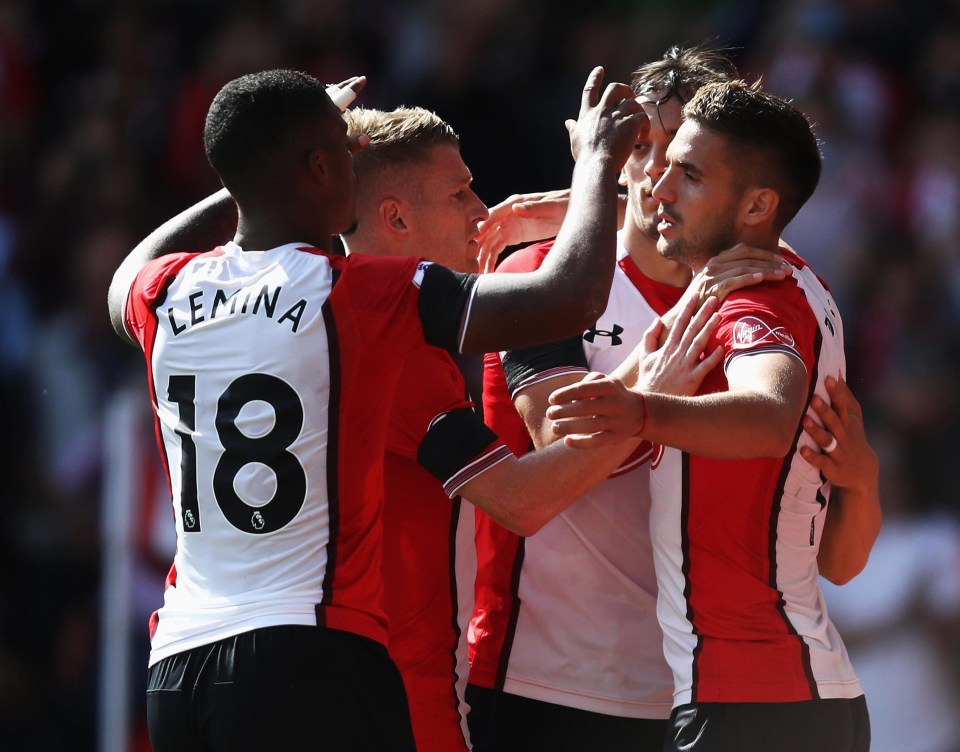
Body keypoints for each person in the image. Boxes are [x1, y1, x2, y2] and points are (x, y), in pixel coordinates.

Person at [106, 66, 647, 751]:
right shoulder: (357, 296)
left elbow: (127, 272)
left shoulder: (166, 288)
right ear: (317, 166)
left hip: (179, 660)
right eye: (341, 147)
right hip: (308, 653)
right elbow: (567, 298)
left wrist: (253, 170)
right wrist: (599, 163)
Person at [466, 46, 880, 752]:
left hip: (704, 691)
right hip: (551, 679)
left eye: (685, 163)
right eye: (646, 148)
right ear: (613, 152)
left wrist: (864, 481)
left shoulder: (776, 290)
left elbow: (833, 546)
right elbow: (549, 441)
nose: (658, 178)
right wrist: (644, 394)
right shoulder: (543, 274)